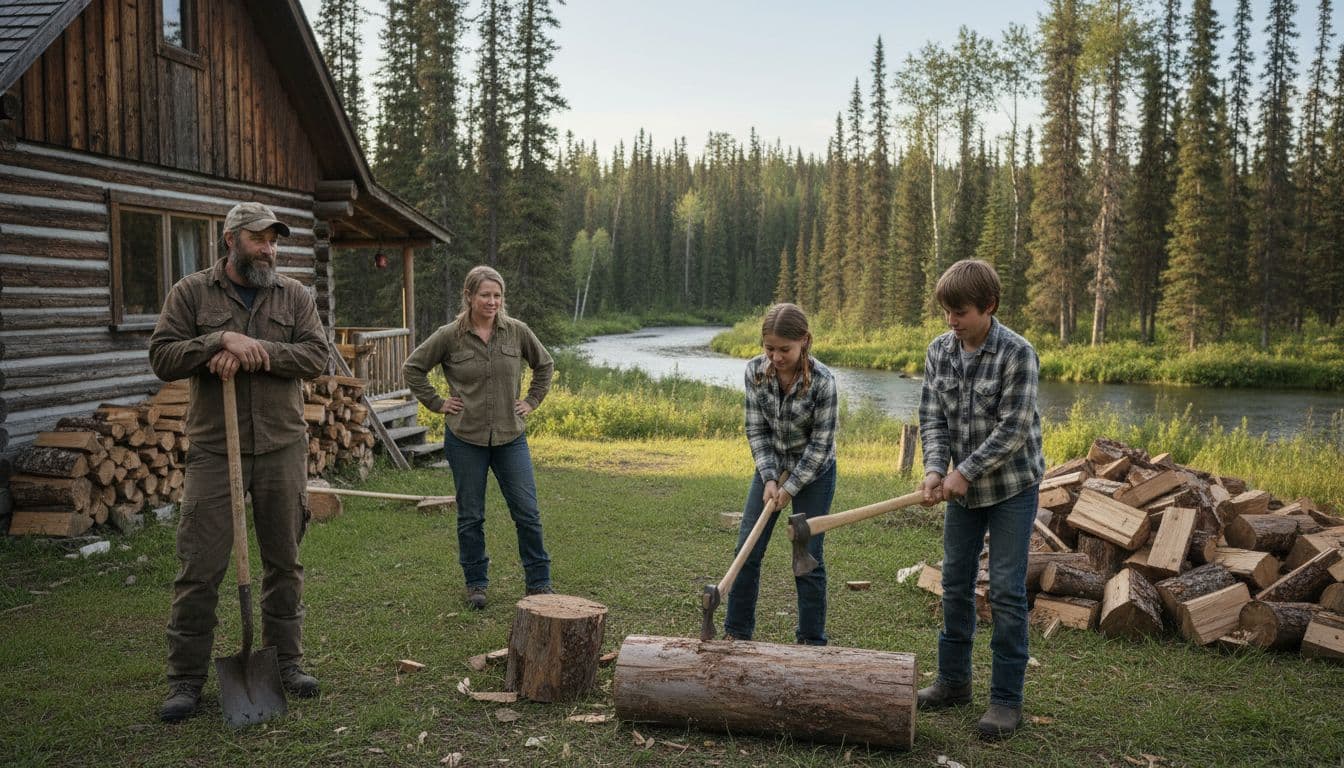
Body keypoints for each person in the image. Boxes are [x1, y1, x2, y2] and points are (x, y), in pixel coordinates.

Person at [148, 201, 328, 723]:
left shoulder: (293, 295)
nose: (269, 248)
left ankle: (287, 663)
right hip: (213, 450)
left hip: (281, 447)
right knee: (199, 567)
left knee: (284, 561)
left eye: (274, 240)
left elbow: (316, 355)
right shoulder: (191, 293)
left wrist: (257, 351)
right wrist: (216, 341)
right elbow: (162, 355)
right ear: (231, 240)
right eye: (259, 239)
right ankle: (185, 679)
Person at [916, 258, 1044, 740]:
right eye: (947, 312)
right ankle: (953, 682)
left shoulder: (1018, 353)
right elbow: (931, 416)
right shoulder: (939, 351)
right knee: (954, 582)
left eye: (961, 312)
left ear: (989, 306)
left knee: (1008, 591)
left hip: (1011, 486)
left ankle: (1006, 700)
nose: (952, 321)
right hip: (962, 492)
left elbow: (1014, 429)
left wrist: (964, 471)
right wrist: (934, 468)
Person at [403, 265, 554, 610]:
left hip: (510, 437)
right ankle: (476, 584)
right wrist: (438, 403)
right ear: (469, 296)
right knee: (471, 516)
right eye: (485, 295)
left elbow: (544, 365)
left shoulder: (517, 332)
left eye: (497, 295)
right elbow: (413, 368)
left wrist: (531, 401)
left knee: (527, 512)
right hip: (465, 438)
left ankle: (539, 582)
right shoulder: (449, 335)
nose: (492, 301)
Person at [723, 303, 838, 645]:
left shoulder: (823, 382)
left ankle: (811, 641)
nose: (775, 357)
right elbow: (756, 431)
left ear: (804, 341)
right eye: (769, 348)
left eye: (784, 349)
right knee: (747, 548)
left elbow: (819, 447)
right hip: (772, 468)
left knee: (808, 557)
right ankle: (737, 633)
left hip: (814, 473)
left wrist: (790, 489)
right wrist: (771, 478)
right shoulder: (754, 372)